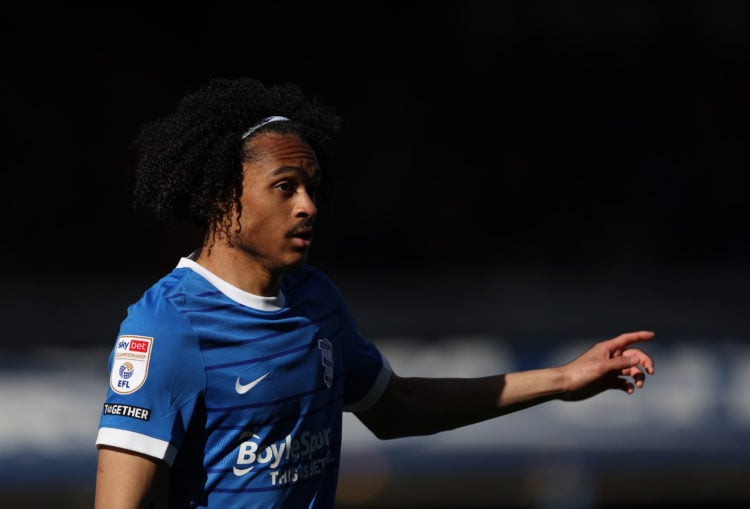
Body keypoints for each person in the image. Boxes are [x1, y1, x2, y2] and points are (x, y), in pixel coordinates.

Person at [94, 76, 655, 509]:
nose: (307, 205)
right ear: (221, 197)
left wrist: (562, 380)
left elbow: (399, 408)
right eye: (285, 187)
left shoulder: (315, 301)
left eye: (312, 187)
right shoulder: (167, 327)